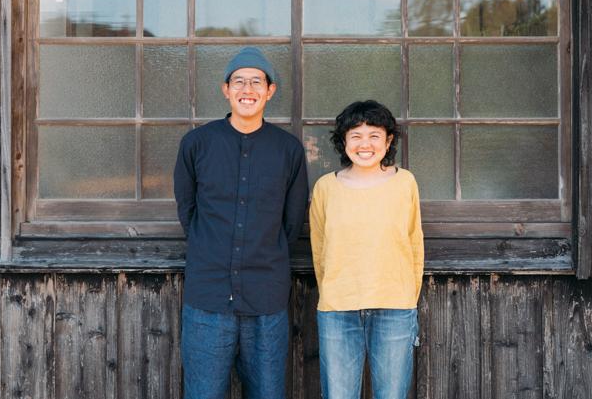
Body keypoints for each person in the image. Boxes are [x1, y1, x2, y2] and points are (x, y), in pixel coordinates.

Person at [173, 47, 309, 399]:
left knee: (267, 393)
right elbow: (188, 212)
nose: (247, 89)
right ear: (226, 90)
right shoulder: (196, 144)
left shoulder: (288, 150)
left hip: (266, 298)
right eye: (239, 81)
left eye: (256, 82)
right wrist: (211, 248)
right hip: (208, 298)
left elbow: (291, 223)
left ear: (270, 91)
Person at [309, 100, 424, 399]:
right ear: (343, 141)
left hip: (395, 306)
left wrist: (407, 298)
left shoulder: (405, 182)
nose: (365, 144)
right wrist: (332, 292)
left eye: (374, 135)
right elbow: (319, 249)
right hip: (337, 308)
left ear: (388, 141)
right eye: (356, 135)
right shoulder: (325, 188)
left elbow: (414, 243)